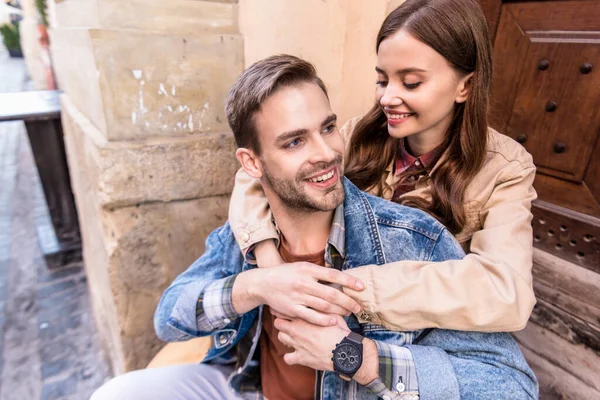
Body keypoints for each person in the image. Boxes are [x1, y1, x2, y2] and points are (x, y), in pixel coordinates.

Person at [91, 55, 537, 400]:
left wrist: (357, 358)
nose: (325, 152)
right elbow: (169, 316)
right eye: (295, 141)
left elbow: (512, 386)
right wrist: (255, 285)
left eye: (328, 127)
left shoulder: (410, 240)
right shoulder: (247, 230)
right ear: (252, 163)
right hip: (247, 386)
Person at [229, 0, 537, 333]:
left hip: (414, 340)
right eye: (382, 80)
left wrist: (352, 289)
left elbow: (508, 292)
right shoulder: (356, 134)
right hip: (332, 322)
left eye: (411, 83)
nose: (387, 98)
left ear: (465, 86)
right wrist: (266, 260)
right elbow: (258, 174)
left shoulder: (505, 168)